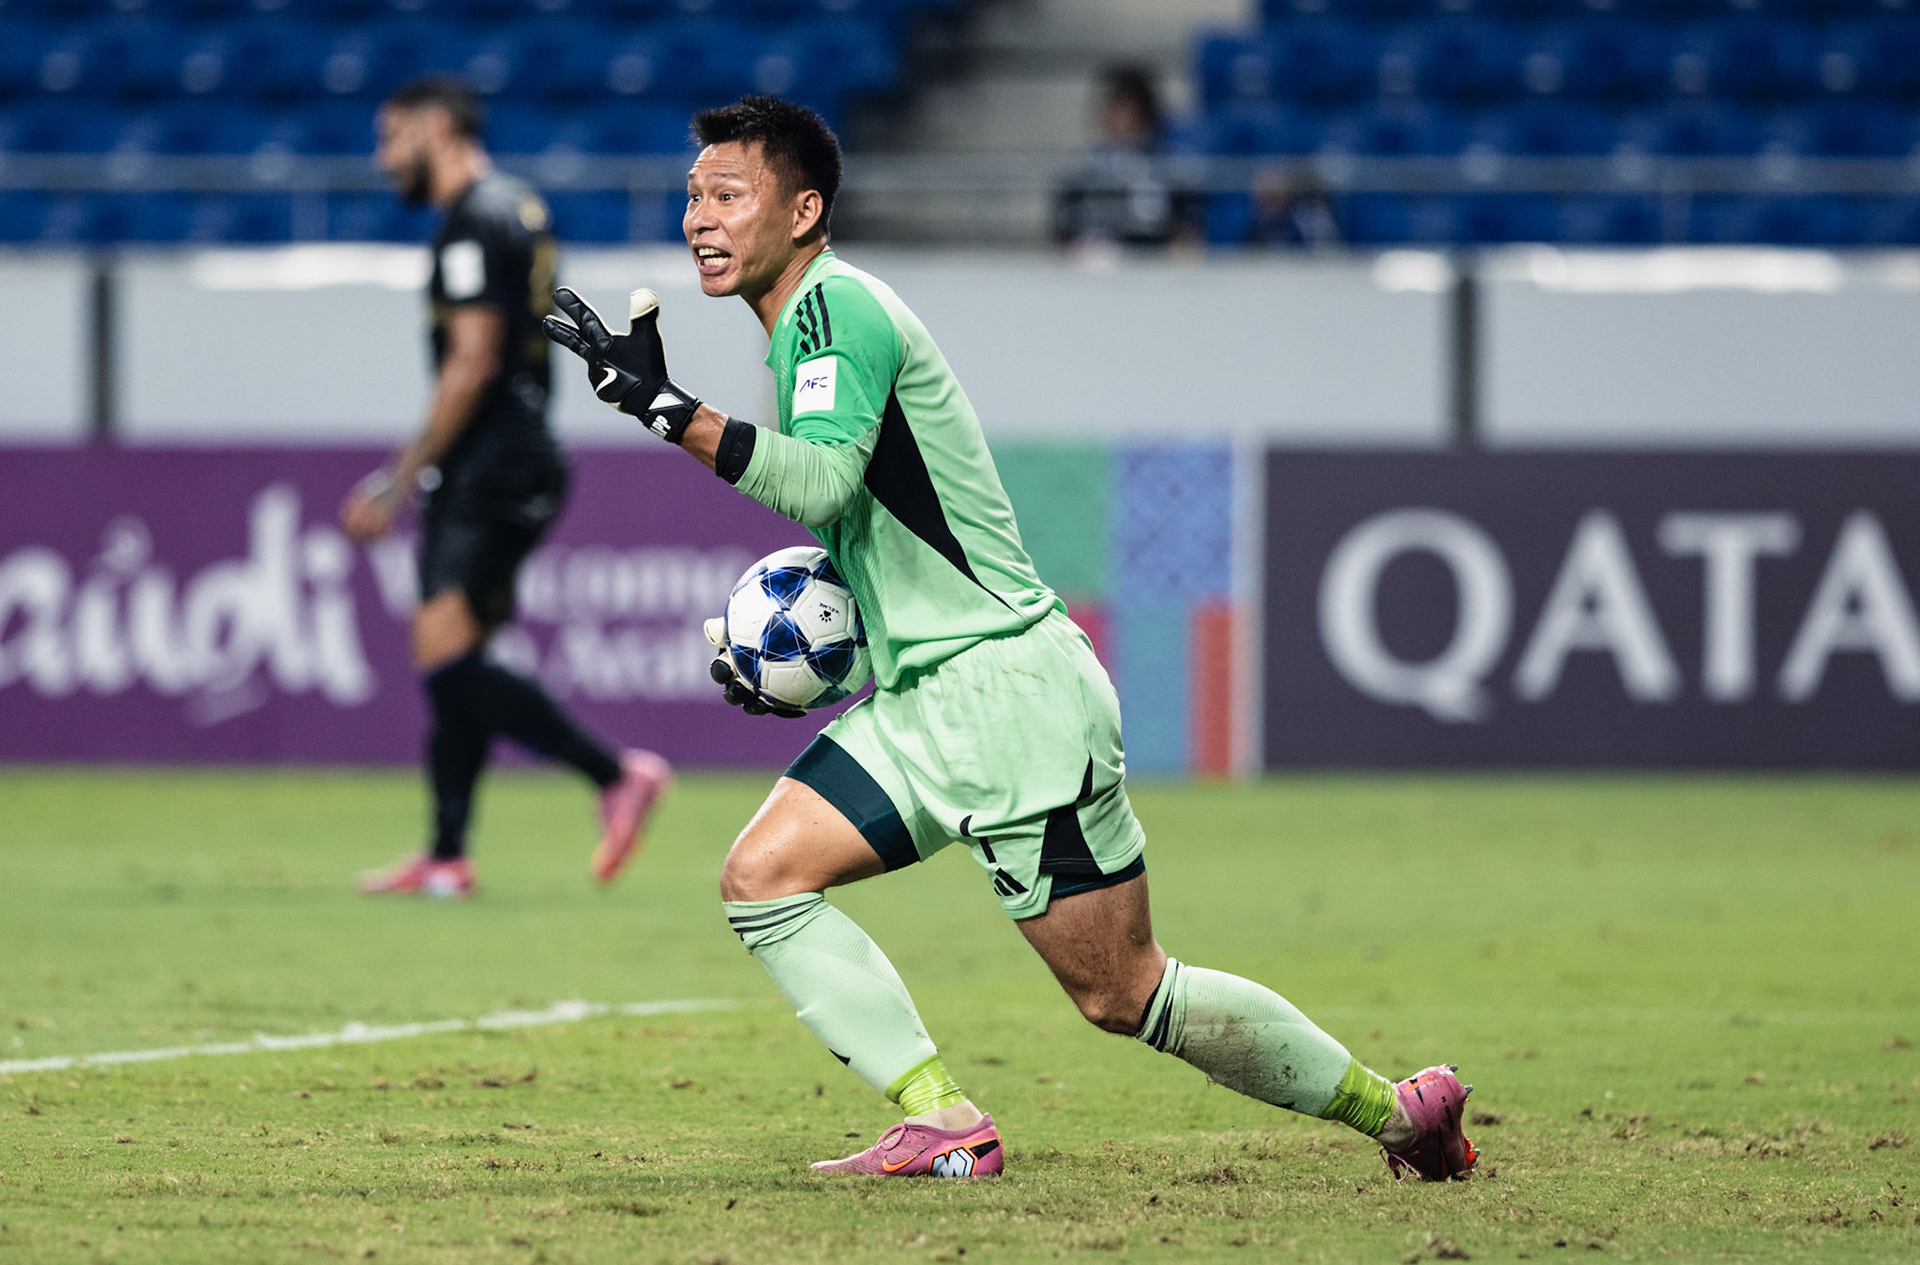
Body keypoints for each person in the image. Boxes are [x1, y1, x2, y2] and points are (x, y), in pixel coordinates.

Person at [544, 95, 1474, 1180]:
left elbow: (824, 482)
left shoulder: (835, 307)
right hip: (927, 699)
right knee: (763, 876)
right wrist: (793, 662)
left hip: (1005, 698)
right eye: (694, 195)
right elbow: (880, 529)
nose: (700, 217)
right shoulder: (802, 329)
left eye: (728, 194)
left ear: (803, 211)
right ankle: (942, 1119)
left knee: (1123, 991)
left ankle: (1398, 1113)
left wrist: (665, 408)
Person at [342, 76, 670, 898]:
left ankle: (615, 774)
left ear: (434, 128)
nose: (384, 160)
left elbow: (472, 361)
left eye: (391, 138)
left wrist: (396, 480)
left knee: (444, 658)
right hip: (515, 452)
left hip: (490, 461)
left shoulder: (472, 221)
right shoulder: (518, 207)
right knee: (457, 659)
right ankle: (447, 855)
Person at [1053, 65, 1206, 253]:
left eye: (1130, 115)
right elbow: (1064, 232)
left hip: (1152, 263)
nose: (1121, 124)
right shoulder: (1083, 176)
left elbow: (1185, 233)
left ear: (1145, 117)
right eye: (1113, 113)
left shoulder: (1168, 173)